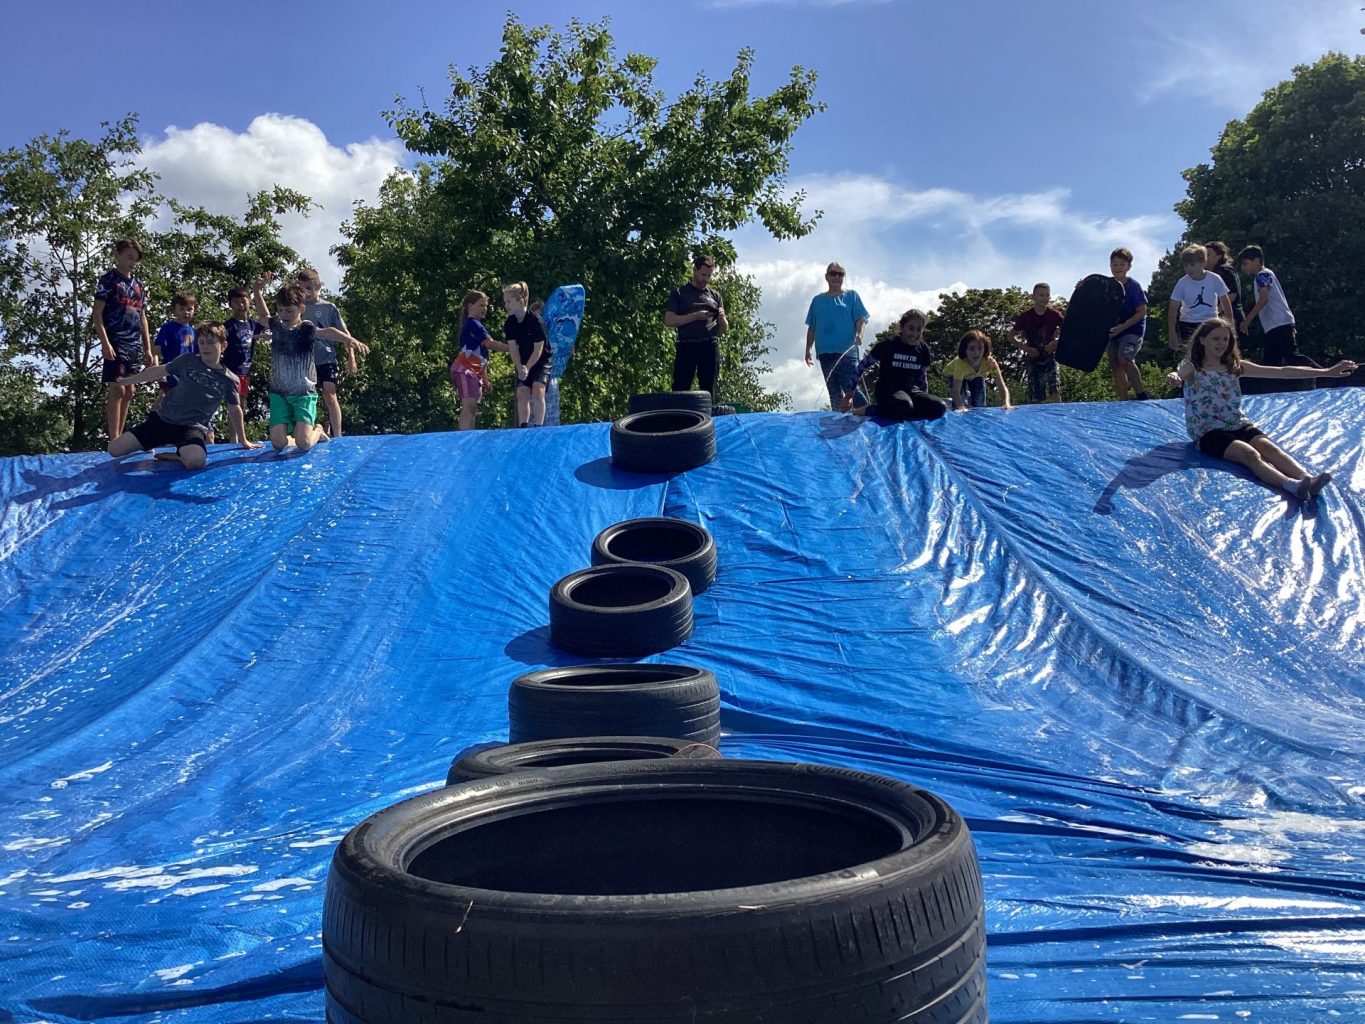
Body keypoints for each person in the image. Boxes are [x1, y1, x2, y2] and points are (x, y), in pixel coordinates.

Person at [1169, 318, 1355, 500]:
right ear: (1202, 340)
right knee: (1249, 454)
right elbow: (1179, 373)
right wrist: (1175, 377)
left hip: (1236, 423)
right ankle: (1291, 485)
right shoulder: (1193, 366)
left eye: (1225, 339)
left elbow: (1282, 372)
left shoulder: (1235, 367)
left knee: (1269, 448)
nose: (1221, 343)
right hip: (1208, 431)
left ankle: (1308, 479)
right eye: (1215, 339)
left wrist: (1326, 372)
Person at [105, 324, 249, 469]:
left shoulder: (229, 379)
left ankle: (178, 456)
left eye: (211, 343)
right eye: (202, 342)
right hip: (162, 421)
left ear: (223, 345)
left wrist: (243, 440)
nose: (206, 347)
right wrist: (126, 381)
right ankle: (151, 442)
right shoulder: (188, 360)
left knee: (196, 461)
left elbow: (234, 409)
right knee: (114, 449)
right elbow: (158, 371)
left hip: (190, 428)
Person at [252, 273, 366, 453]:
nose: (284, 315)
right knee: (278, 444)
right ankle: (294, 436)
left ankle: (318, 430)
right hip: (279, 393)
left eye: (289, 311)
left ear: (301, 309)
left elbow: (328, 332)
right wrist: (257, 291)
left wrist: (350, 340)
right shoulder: (277, 325)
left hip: (303, 393)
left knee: (304, 444)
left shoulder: (306, 328)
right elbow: (263, 315)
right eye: (280, 310)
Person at [93, 238, 153, 440]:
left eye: (136, 259)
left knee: (129, 391)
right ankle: (114, 438)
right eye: (129, 257)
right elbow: (97, 314)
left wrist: (147, 348)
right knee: (117, 387)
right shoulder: (109, 280)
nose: (132, 262)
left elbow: (143, 317)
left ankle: (120, 434)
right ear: (117, 255)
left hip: (134, 343)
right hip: (116, 340)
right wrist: (105, 343)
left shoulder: (138, 286)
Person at [840, 309, 949, 420]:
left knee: (940, 407)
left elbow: (922, 376)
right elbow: (861, 367)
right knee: (903, 405)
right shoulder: (888, 345)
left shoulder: (923, 349)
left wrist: (924, 399)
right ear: (902, 327)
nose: (915, 334)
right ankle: (869, 409)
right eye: (911, 328)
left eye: (919, 329)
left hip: (912, 391)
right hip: (888, 391)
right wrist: (849, 396)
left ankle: (905, 410)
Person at [297, 268, 360, 437]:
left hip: (326, 357)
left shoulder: (328, 307)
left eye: (309, 288)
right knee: (305, 397)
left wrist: (351, 357)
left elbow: (345, 334)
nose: (306, 292)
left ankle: (337, 434)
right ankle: (307, 432)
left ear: (318, 286)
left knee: (329, 393)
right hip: (306, 359)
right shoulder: (299, 308)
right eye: (302, 289)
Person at [804, 261, 869, 410]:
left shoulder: (851, 296)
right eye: (833, 273)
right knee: (834, 392)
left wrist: (860, 335)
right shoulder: (817, 300)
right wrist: (808, 349)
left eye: (840, 274)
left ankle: (868, 414)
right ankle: (838, 419)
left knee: (850, 388)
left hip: (847, 352)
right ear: (826, 277)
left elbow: (860, 319)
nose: (837, 277)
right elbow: (812, 327)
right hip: (825, 351)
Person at [664, 255, 728, 399]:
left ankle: (708, 412)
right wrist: (695, 316)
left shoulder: (715, 296)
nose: (706, 279)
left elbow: (724, 329)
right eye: (703, 275)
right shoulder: (680, 293)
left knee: (709, 390)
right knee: (680, 390)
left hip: (709, 345)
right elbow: (669, 320)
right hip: (687, 345)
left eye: (709, 276)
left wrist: (722, 318)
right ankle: (679, 413)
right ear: (695, 270)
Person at [451, 289, 512, 431]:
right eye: (481, 305)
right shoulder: (473, 324)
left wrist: (486, 380)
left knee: (474, 407)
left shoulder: (477, 325)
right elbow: (490, 344)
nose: (485, 308)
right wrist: (513, 348)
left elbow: (480, 361)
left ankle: (469, 433)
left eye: (486, 306)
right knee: (469, 404)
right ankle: (464, 434)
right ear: (470, 306)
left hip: (474, 372)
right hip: (465, 369)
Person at [1236, 245, 1301, 366]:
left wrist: (1247, 320)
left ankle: (1324, 373)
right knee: (1271, 363)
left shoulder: (1262, 274)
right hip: (1273, 325)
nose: (1243, 267)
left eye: (1246, 263)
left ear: (1256, 261)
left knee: (1292, 357)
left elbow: (1263, 298)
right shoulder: (1265, 274)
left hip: (1279, 323)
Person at [503, 281, 552, 427]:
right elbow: (513, 349)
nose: (506, 305)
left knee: (537, 389)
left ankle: (539, 426)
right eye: (505, 302)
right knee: (522, 392)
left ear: (520, 301)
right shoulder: (510, 323)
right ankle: (523, 427)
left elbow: (538, 350)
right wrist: (519, 367)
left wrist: (527, 368)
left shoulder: (536, 322)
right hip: (523, 360)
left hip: (541, 360)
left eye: (509, 302)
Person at [222, 286, 264, 448]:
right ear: (230, 305)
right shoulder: (228, 326)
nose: (240, 305)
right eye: (236, 302)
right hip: (231, 370)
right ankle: (234, 439)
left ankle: (240, 437)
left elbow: (266, 321)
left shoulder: (253, 324)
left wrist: (259, 290)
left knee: (242, 404)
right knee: (234, 404)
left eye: (243, 301)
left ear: (250, 302)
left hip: (246, 370)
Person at [1167, 244, 1231, 350]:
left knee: (1211, 351)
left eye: (1192, 265)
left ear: (1203, 263)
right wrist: (1172, 333)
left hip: (1210, 322)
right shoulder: (1182, 283)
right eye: (1186, 266)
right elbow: (1173, 309)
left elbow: (1225, 303)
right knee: (1191, 353)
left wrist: (1230, 326)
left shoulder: (1214, 279)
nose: (1189, 269)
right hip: (1188, 323)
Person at [1107, 248, 1151, 400]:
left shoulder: (1133, 286)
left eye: (1122, 264)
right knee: (1116, 365)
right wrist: (1082, 287)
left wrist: (1123, 327)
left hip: (1132, 329)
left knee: (1124, 358)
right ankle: (1123, 400)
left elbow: (1142, 311)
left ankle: (1141, 394)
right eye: (1114, 264)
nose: (1118, 267)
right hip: (1114, 331)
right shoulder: (1107, 285)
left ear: (1128, 266)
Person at [1010, 283, 1064, 403]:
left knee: (1055, 387)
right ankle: (1036, 412)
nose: (1045, 298)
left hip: (1050, 356)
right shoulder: (1026, 316)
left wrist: (1056, 342)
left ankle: (1057, 410)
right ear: (1033, 297)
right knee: (1035, 394)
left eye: (1047, 295)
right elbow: (1010, 336)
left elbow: (1069, 331)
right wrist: (1026, 348)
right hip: (1033, 357)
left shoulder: (1054, 315)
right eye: (1041, 295)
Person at [944, 330, 1011, 411]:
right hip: (952, 375)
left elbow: (1001, 386)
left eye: (980, 348)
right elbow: (956, 391)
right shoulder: (960, 363)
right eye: (971, 349)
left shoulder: (990, 363)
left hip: (975, 376)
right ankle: (964, 398)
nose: (976, 353)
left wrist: (1006, 402)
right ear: (965, 350)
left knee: (980, 403)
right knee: (960, 401)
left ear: (985, 349)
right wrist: (960, 406)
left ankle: (970, 399)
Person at [152, 292, 197, 409]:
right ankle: (152, 417)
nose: (186, 312)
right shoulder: (168, 328)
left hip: (187, 375)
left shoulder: (193, 331)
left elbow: (197, 355)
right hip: (170, 372)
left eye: (189, 309)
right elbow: (155, 350)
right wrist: (157, 370)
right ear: (174, 310)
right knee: (165, 398)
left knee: (182, 403)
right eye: (181, 309)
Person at [1203, 241, 1246, 340]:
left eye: (1208, 255)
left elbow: (1231, 295)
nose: (1205, 258)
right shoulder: (1208, 274)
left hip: (1230, 317)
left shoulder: (1225, 271)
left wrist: (1214, 312)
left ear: (1218, 256)